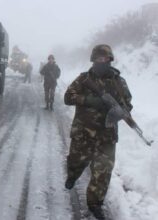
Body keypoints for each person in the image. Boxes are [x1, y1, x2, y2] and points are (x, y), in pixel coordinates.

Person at [64, 44, 133, 220]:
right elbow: (68, 97)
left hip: (106, 136)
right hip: (83, 133)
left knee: (103, 173)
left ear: (110, 60)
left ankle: (95, 204)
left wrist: (120, 111)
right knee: (76, 162)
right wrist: (89, 100)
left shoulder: (119, 82)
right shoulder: (84, 79)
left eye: (105, 59)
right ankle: (72, 175)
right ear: (93, 60)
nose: (102, 62)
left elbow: (127, 104)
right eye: (98, 59)